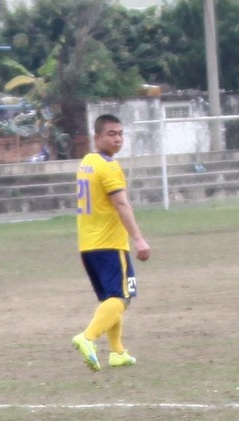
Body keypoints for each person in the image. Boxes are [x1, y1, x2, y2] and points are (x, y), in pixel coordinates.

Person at [72, 113, 150, 370]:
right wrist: (138, 239)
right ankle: (88, 337)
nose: (117, 139)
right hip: (109, 243)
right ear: (97, 138)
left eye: (120, 133)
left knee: (110, 298)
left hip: (88, 245)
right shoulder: (109, 166)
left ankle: (117, 352)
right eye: (111, 134)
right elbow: (121, 203)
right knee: (122, 297)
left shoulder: (87, 162)